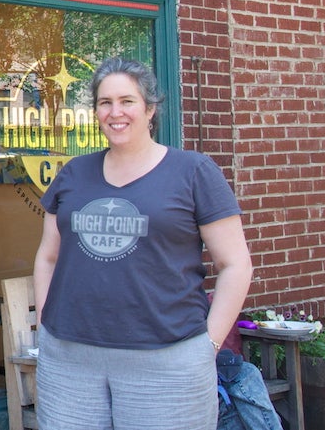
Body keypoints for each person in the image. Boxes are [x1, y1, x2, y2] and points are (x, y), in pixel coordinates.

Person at [33, 57, 253, 430]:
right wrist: (45, 324)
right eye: (105, 102)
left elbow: (236, 265)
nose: (115, 112)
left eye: (127, 101)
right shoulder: (74, 173)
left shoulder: (194, 171)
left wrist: (208, 346)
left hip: (166, 360)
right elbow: (48, 256)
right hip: (70, 360)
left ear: (150, 108)